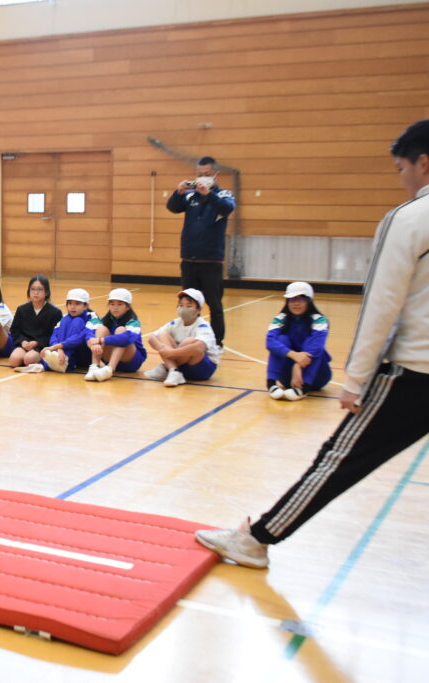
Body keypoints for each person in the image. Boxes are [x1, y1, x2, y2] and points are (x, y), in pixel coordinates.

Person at [195, 119, 429, 570]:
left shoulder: (409, 219)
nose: (401, 180)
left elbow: (381, 304)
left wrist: (356, 380)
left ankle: (256, 539)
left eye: (402, 169)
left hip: (415, 373)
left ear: (423, 162)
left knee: (339, 459)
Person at [167, 156, 235, 347]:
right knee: (187, 304)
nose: (202, 178)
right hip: (189, 260)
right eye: (199, 175)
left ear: (215, 174)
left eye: (206, 174)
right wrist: (179, 192)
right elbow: (173, 207)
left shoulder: (223, 195)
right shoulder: (190, 196)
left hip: (211, 261)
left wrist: (208, 195)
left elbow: (227, 208)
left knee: (214, 304)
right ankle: (187, 336)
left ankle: (217, 341)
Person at [265, 281, 332, 400]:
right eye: (292, 299)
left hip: (317, 376)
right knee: (281, 339)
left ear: (309, 301)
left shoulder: (319, 320)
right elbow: (270, 342)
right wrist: (294, 355)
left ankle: (303, 387)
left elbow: (317, 346)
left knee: (313, 346)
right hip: (287, 378)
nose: (296, 303)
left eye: (301, 299)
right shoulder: (280, 319)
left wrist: (298, 365)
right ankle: (271, 384)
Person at [144, 288, 220, 387]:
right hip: (183, 365)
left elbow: (198, 348)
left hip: (202, 369)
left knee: (190, 342)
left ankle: (167, 367)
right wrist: (163, 348)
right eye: (181, 305)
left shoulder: (203, 325)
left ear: (199, 309)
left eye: (189, 306)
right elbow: (152, 338)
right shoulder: (175, 323)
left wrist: (171, 353)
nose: (184, 309)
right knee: (162, 335)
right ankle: (174, 371)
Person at [19, 288, 95, 373]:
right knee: (65, 321)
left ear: (86, 306)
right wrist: (59, 349)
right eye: (70, 303)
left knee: (78, 321)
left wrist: (56, 347)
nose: (72, 307)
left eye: (77, 304)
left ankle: (60, 362)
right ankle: (57, 361)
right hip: (63, 352)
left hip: (84, 355)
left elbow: (80, 338)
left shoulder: (92, 318)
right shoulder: (65, 318)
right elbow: (54, 335)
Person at [86, 288, 147, 382]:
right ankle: (94, 366)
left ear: (128, 307)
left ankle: (110, 369)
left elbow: (127, 338)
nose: (115, 307)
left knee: (121, 330)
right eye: (112, 304)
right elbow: (88, 329)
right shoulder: (106, 319)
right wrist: (90, 340)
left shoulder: (133, 321)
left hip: (131, 362)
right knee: (101, 329)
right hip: (108, 359)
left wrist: (101, 340)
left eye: (120, 304)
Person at [8, 275, 63, 370]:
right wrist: (22, 341)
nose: (36, 292)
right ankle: (27, 357)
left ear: (46, 292)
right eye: (32, 289)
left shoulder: (55, 312)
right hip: (25, 344)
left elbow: (55, 334)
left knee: (29, 359)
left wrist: (37, 343)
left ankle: (41, 360)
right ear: (28, 291)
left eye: (40, 289)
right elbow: (15, 330)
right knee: (13, 360)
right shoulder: (22, 309)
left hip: (42, 346)